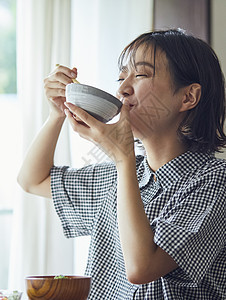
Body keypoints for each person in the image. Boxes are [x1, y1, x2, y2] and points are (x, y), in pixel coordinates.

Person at [17, 29, 226, 299]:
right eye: (120, 76)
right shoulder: (120, 174)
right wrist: (56, 114)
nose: (122, 89)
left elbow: (142, 268)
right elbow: (32, 180)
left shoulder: (214, 181)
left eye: (140, 75)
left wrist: (122, 157)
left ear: (188, 97)